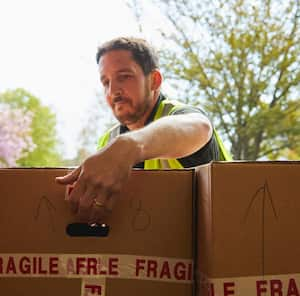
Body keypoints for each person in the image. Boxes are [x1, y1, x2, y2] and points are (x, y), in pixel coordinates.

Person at [56, 37, 230, 223]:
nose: (113, 90)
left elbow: (200, 128)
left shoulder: (177, 115)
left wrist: (128, 147)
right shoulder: (109, 140)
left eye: (124, 77)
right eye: (106, 82)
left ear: (154, 81)